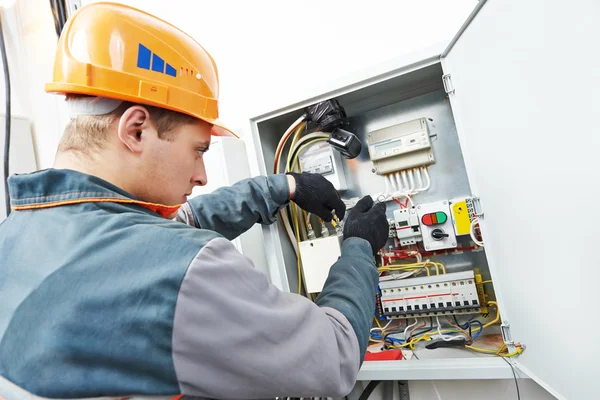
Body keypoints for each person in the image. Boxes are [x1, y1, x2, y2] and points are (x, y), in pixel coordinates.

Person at [0, 2, 389, 399]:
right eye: (199, 149)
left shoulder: (15, 237)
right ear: (135, 131)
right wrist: (358, 246)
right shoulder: (181, 268)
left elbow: (168, 228)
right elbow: (333, 355)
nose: (202, 174)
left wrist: (284, 186)